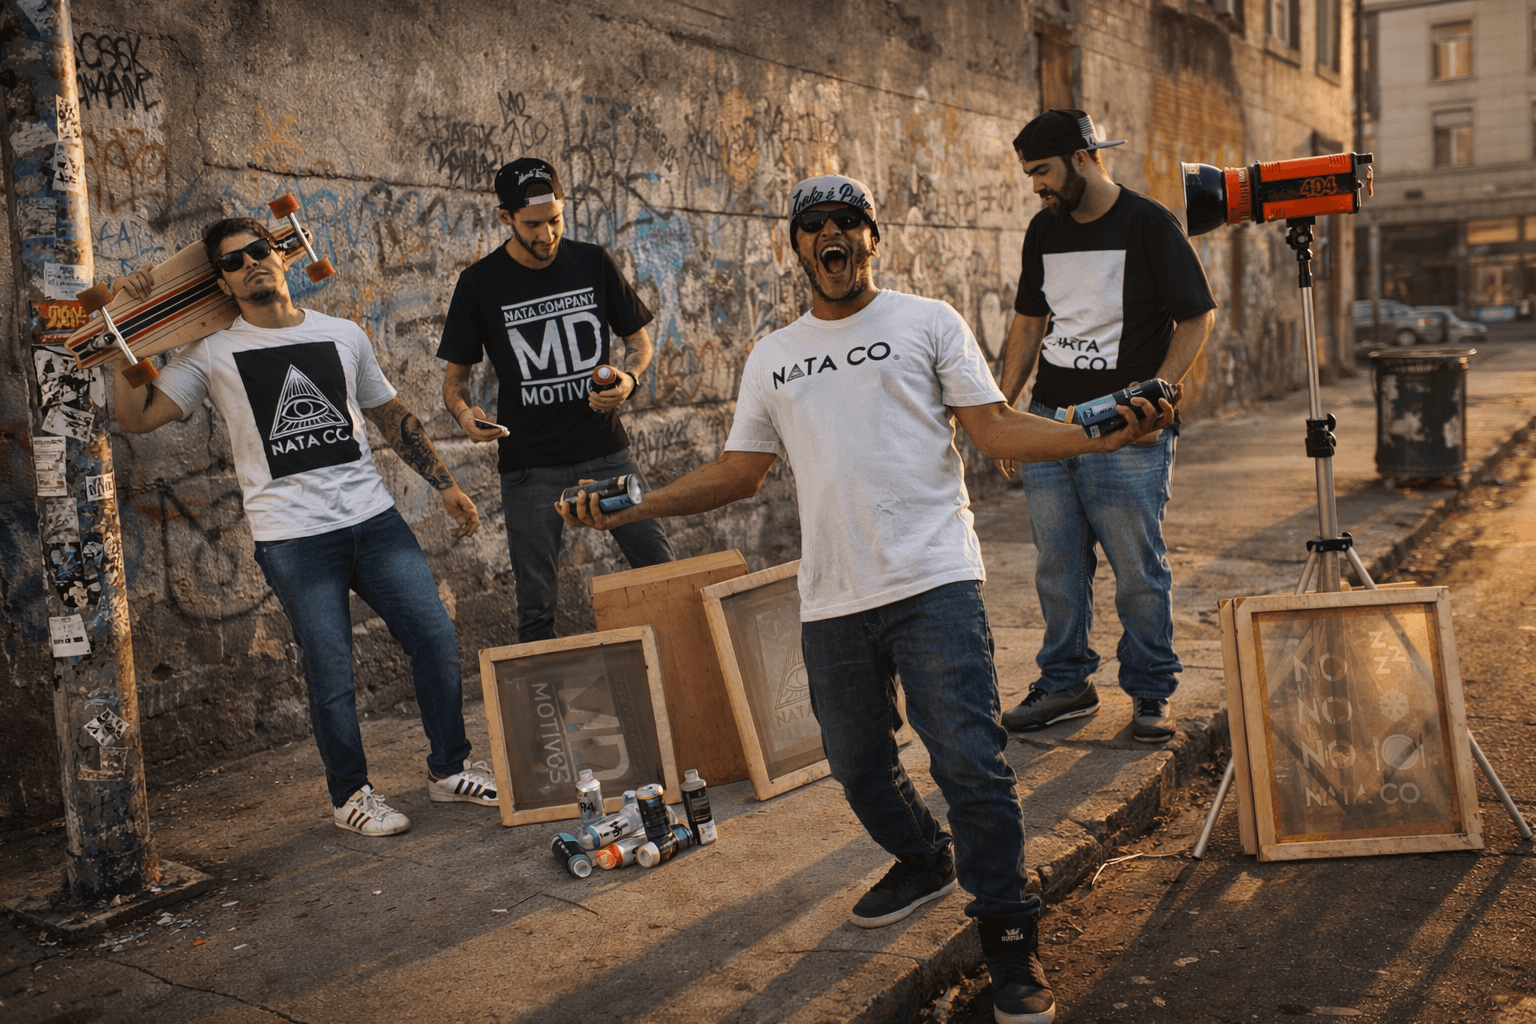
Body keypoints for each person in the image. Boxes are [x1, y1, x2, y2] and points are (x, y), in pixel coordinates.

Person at [558, 174, 1176, 1024]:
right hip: (834, 595)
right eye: (814, 225)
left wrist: (1098, 427)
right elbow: (741, 473)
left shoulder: (927, 321)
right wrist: (642, 500)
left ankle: (1008, 941)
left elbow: (994, 429)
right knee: (855, 764)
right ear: (798, 247)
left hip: (934, 581)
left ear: (872, 239)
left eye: (849, 222)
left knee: (968, 762)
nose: (832, 235)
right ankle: (925, 859)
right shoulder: (774, 354)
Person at [110, 217, 498, 837]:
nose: (251, 264)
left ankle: (449, 770)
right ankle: (350, 796)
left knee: (434, 640)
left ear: (283, 256)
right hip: (292, 537)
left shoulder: (343, 334)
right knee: (331, 670)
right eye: (234, 262)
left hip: (374, 521)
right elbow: (137, 418)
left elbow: (389, 415)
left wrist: (445, 484)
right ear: (222, 282)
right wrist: (126, 334)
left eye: (259, 250)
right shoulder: (210, 352)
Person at [996, 110, 1216, 744]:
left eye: (1042, 171)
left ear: (1083, 157)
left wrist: (1162, 391)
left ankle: (1150, 692)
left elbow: (1197, 317)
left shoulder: (1149, 224)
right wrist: (1003, 412)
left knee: (1136, 569)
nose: (1035, 186)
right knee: (1058, 568)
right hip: (1048, 423)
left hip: (1126, 431)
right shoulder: (1043, 231)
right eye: (1029, 174)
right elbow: (1029, 324)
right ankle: (1067, 683)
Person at [437, 157, 673, 643]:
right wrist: (465, 416)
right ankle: (544, 718)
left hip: (606, 452)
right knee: (536, 608)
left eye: (555, 220)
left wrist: (628, 379)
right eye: (532, 225)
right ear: (505, 218)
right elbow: (454, 383)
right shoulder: (479, 284)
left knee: (662, 571)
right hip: (529, 468)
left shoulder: (592, 261)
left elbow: (639, 342)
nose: (546, 235)